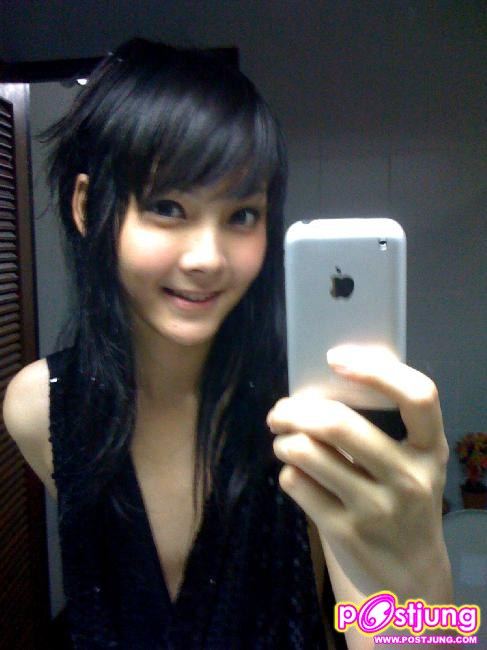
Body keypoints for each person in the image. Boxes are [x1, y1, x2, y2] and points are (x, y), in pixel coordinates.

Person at [3, 38, 452, 649]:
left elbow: (392, 632)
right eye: (167, 207)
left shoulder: (310, 411)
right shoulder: (41, 408)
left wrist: (418, 566)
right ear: (87, 207)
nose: (208, 258)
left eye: (242, 216)